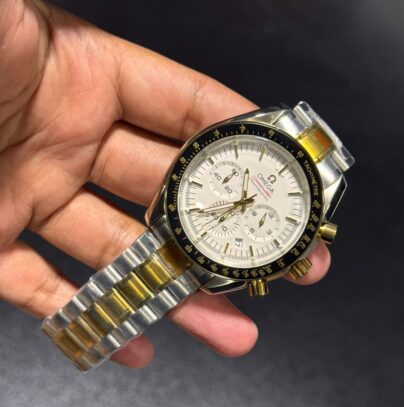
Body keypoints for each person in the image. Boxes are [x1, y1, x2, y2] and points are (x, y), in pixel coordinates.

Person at [0, 0, 331, 368]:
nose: (245, 202)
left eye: (253, 208)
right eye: (241, 191)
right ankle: (76, 334)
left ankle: (79, 336)